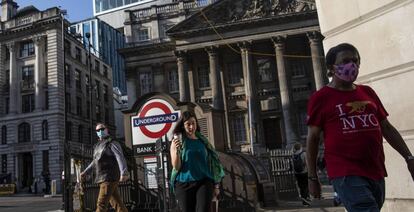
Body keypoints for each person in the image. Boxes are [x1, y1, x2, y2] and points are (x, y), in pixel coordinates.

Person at [306, 43, 414, 211]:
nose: (352, 65)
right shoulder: (321, 98)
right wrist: (312, 177)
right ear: (331, 67)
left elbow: (387, 127)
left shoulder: (368, 92)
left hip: (375, 169)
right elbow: (312, 139)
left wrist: (409, 157)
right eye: (346, 60)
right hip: (345, 172)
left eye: (356, 60)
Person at [170, 111, 225, 212]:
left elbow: (212, 164)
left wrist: (216, 186)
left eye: (193, 123)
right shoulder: (177, 142)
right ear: (182, 126)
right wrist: (177, 151)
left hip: (204, 181)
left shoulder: (203, 141)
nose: (191, 127)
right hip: (183, 183)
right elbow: (176, 167)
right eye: (188, 124)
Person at [81, 123, 129, 212]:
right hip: (104, 178)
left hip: (109, 178)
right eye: (98, 130)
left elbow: (120, 157)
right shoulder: (98, 145)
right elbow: (95, 161)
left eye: (102, 129)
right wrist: (85, 172)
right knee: (117, 204)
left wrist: (124, 172)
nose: (100, 131)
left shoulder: (112, 143)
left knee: (101, 204)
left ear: (106, 129)